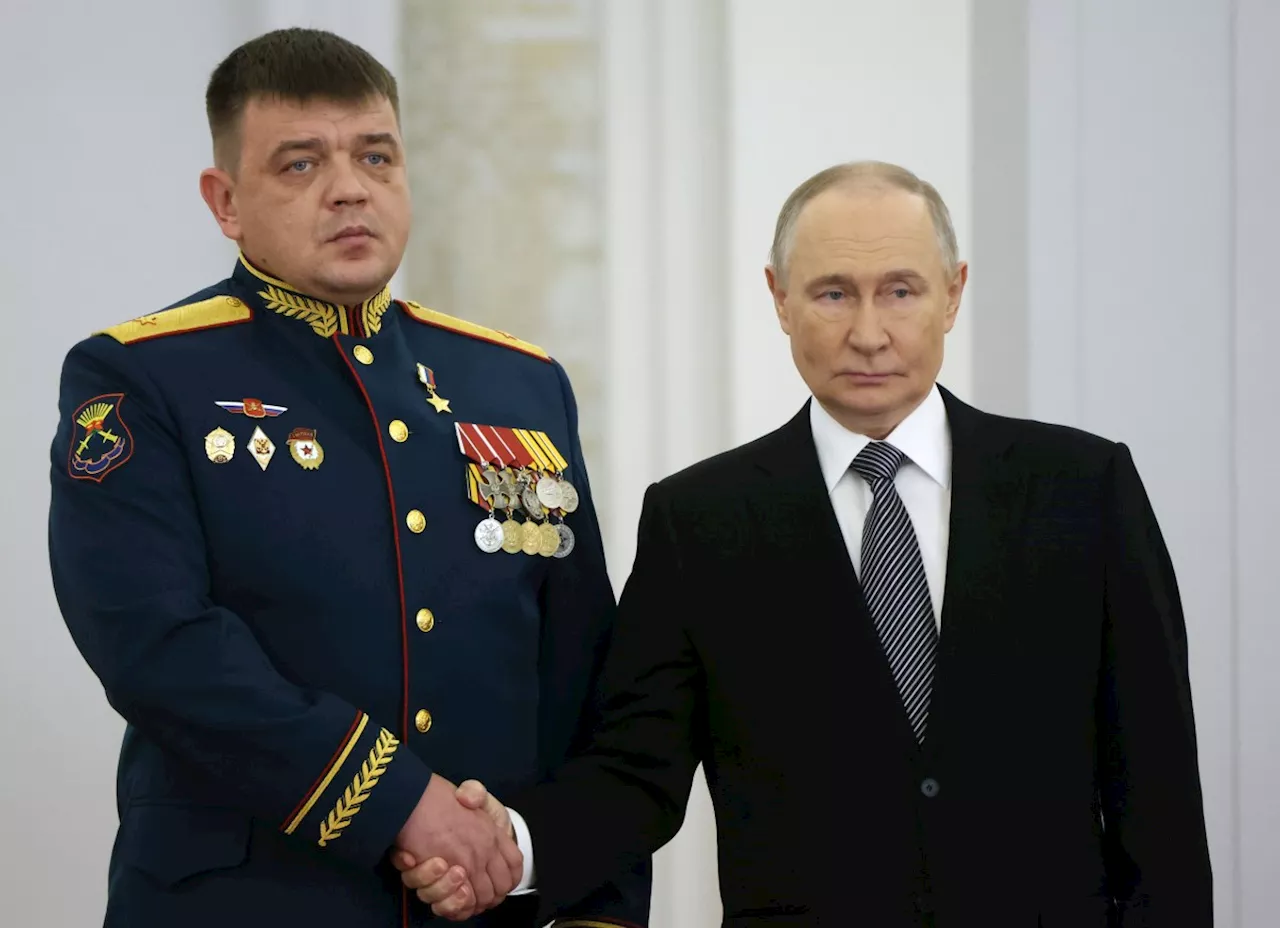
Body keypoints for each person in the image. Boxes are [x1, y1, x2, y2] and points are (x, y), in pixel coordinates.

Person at [399, 161, 1214, 927]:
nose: (869, 333)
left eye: (901, 291)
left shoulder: (1084, 487)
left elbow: (1156, 786)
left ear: (953, 294)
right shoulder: (697, 522)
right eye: (833, 294)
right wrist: (512, 844)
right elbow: (634, 773)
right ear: (780, 299)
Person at [47, 27, 649, 928]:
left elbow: (582, 672)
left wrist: (599, 907)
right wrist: (396, 798)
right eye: (300, 164)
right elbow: (156, 644)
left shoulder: (517, 382)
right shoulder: (142, 375)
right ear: (225, 202)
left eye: (376, 156)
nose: (349, 188)